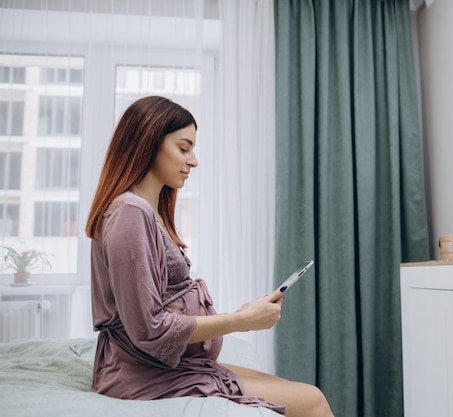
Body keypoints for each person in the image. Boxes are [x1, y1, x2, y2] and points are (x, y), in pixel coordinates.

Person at [85, 96, 333, 417]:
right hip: (141, 374)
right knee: (311, 400)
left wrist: (242, 316)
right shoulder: (130, 213)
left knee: (293, 391)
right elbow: (149, 329)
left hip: (161, 365)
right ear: (148, 142)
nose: (194, 161)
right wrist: (241, 322)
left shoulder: (147, 210)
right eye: (184, 148)